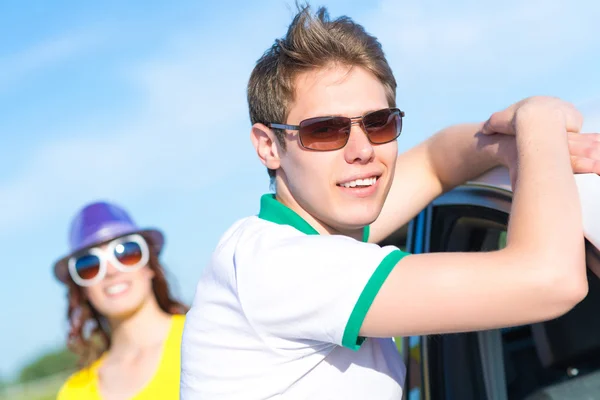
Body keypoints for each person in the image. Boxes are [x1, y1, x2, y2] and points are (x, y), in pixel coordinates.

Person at [180, 5, 600, 399]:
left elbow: (437, 162)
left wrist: (514, 151)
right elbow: (550, 279)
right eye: (325, 130)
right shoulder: (277, 265)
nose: (362, 150)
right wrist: (538, 120)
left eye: (379, 123)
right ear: (268, 146)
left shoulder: (303, 240)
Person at [54, 201, 187, 400]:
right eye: (89, 264)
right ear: (82, 289)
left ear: (150, 264)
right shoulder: (74, 393)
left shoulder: (207, 336)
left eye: (126, 252)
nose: (110, 270)